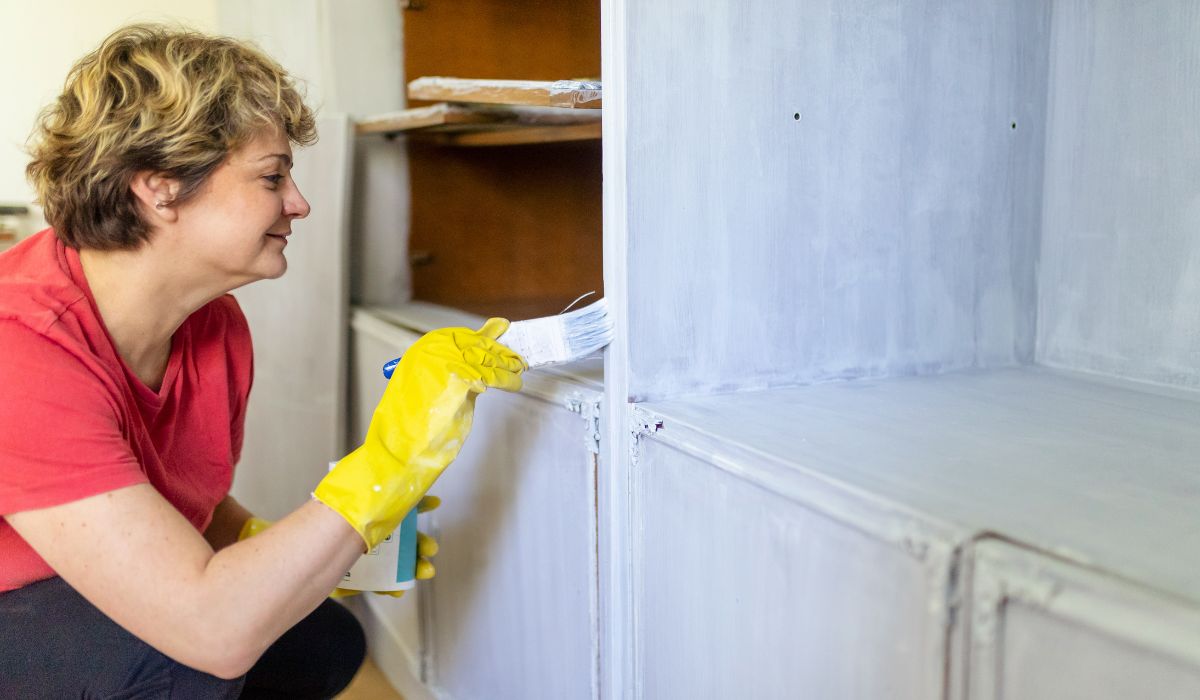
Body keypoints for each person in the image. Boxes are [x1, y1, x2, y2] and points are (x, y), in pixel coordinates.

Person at [0, 23, 525, 698]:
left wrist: (269, 541)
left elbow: (181, 500)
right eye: (272, 177)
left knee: (318, 640)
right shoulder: (21, 350)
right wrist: (384, 471)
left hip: (58, 597)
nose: (298, 204)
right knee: (186, 655)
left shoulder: (212, 326)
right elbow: (210, 630)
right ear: (159, 189)